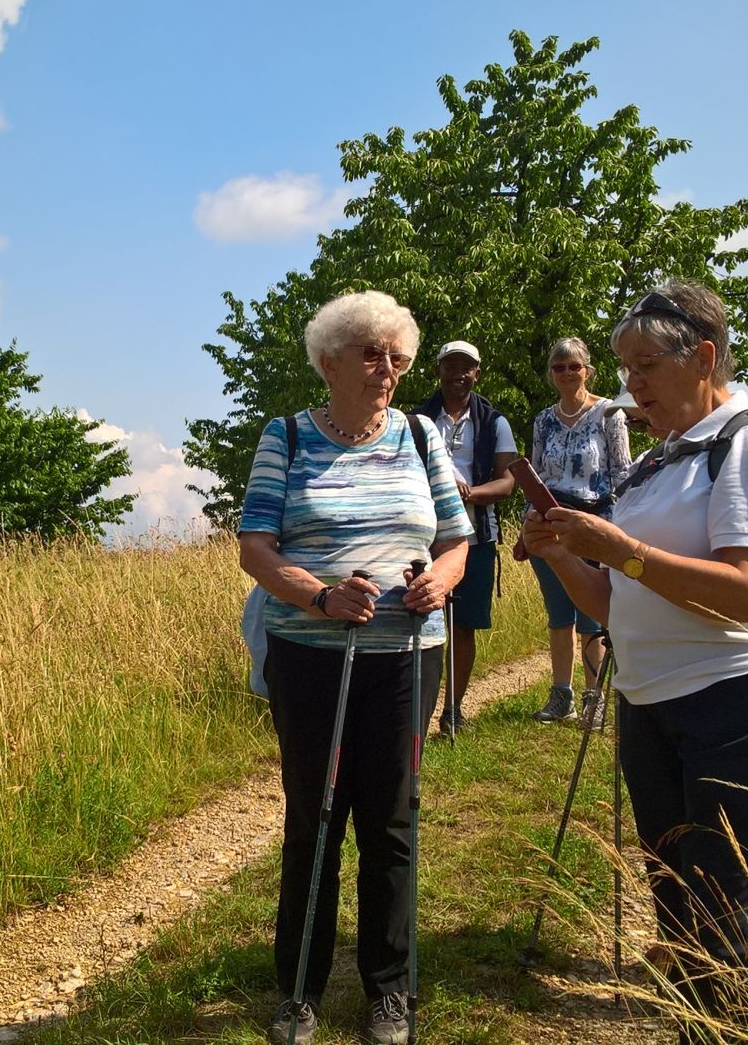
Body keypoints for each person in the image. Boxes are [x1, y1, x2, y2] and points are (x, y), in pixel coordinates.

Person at [522, 281, 748, 1042]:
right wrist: (563, 554)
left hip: (744, 699)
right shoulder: (657, 466)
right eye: (624, 367)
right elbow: (614, 604)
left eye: (646, 364)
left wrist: (625, 549)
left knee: (733, 927)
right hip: (652, 704)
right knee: (686, 925)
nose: (632, 385)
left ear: (706, 358)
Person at [239, 291, 471, 1045]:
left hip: (407, 655)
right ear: (329, 360)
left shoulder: (420, 435)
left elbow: (457, 538)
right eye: (372, 353)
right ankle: (299, 992)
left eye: (397, 355)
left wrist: (443, 578)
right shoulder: (287, 438)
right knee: (316, 815)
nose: (389, 368)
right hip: (312, 654)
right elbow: (256, 548)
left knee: (393, 818)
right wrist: (320, 596)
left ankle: (388, 991)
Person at [409, 340, 517, 734]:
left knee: (464, 625)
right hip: (422, 539)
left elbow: (507, 483)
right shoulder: (416, 420)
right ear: (438, 370)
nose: (459, 374)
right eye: (450, 366)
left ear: (477, 373)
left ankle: (452, 711)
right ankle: (414, 712)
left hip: (476, 539)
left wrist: (467, 494)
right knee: (417, 622)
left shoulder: (494, 422)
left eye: (466, 367)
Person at [523, 335, 632, 726]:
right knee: (558, 615)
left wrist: (618, 528)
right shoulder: (543, 420)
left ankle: (595, 700)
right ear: (551, 374)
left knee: (592, 615)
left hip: (594, 521)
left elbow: (622, 472)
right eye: (559, 367)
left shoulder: (609, 414)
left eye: (574, 366)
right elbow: (535, 476)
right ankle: (561, 696)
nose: (567, 373)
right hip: (551, 524)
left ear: (588, 370)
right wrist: (527, 527)